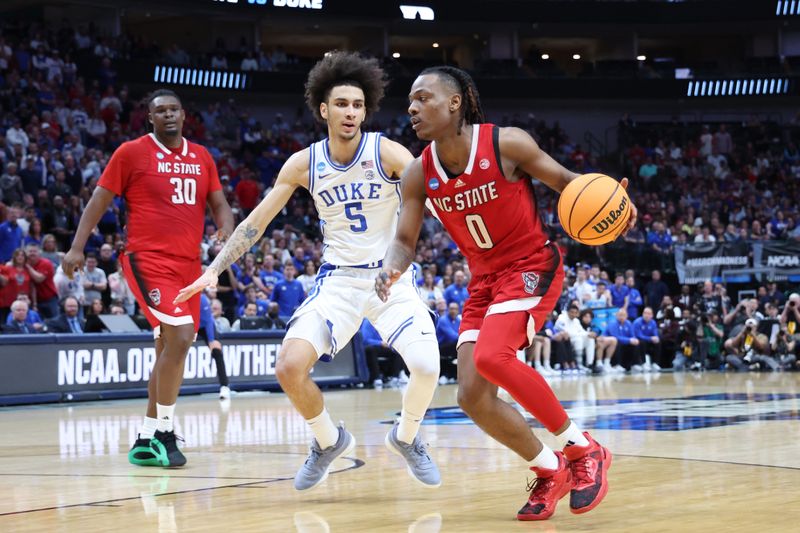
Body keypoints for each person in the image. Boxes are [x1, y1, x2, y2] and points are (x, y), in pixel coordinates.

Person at [376, 66, 635, 521]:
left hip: (531, 265)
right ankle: (548, 468)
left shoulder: (506, 143)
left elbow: (567, 182)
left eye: (423, 98)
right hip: (484, 281)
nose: (412, 109)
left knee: (494, 356)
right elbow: (404, 240)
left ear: (455, 102)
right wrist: (392, 266)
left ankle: (583, 449)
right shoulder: (419, 172)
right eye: (410, 103)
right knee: (472, 397)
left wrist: (613, 200)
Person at [175, 52, 441, 490]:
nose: (350, 112)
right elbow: (255, 222)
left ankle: (408, 437)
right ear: (323, 109)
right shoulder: (304, 164)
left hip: (390, 278)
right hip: (338, 279)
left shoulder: (387, 152)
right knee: (288, 367)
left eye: (357, 105)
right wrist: (214, 270)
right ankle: (327, 440)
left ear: (365, 109)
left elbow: (433, 195)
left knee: (427, 367)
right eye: (341, 104)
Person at [61, 89, 234, 468]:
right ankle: (166, 433)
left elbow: (219, 204)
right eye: (160, 111)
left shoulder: (202, 157)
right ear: (150, 118)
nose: (168, 115)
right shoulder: (131, 152)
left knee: (169, 347)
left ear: (184, 115)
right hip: (148, 260)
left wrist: (226, 230)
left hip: (191, 266)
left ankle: (145, 437)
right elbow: (99, 200)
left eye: (174, 109)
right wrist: (76, 248)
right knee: (184, 336)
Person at [198, 292, 231, 400]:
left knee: (216, 350)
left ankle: (224, 386)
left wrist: (212, 340)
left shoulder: (202, 299)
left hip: (203, 326)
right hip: (186, 325)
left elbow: (208, 321)